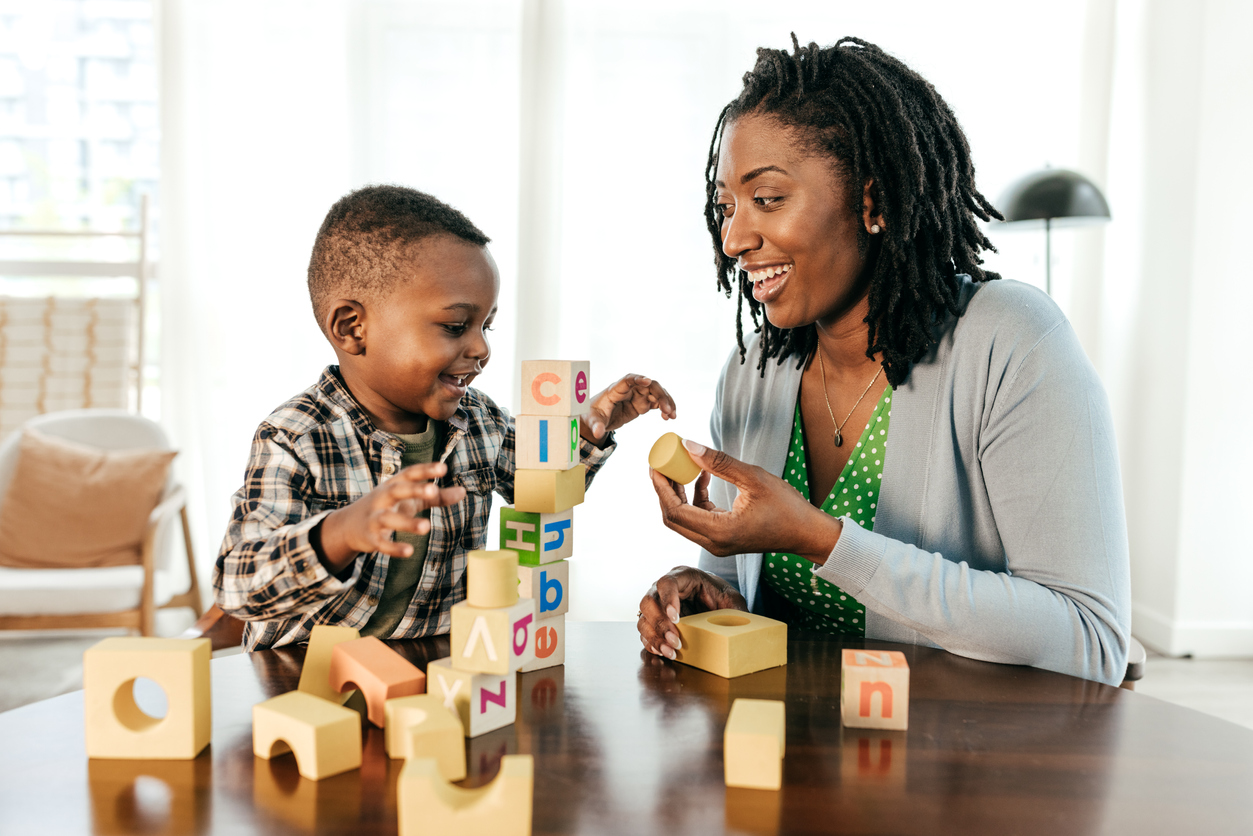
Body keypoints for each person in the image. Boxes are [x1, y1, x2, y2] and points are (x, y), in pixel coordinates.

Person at [637, 37, 1131, 685]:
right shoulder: (752, 372)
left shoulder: (1009, 341)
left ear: (872, 200)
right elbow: (744, 590)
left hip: (958, 765)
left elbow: (1088, 638)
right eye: (725, 207)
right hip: (784, 761)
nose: (733, 238)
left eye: (767, 199)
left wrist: (823, 541)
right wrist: (701, 594)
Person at [216, 184, 675, 650]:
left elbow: (538, 483)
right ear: (353, 328)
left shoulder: (477, 420)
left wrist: (591, 427)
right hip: (310, 682)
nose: (481, 349)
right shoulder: (297, 435)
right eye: (456, 326)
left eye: (486, 326)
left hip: (437, 668)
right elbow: (238, 582)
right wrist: (342, 531)